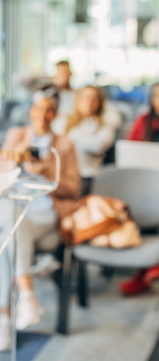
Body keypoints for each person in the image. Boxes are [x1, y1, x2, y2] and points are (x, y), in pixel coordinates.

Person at [0, 87, 81, 352]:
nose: (41, 115)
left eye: (48, 110)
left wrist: (47, 172)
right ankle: (26, 294)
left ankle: (5, 318)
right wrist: (16, 155)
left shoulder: (65, 143)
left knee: (5, 239)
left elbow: (73, 189)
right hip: (11, 203)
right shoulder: (16, 135)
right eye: (37, 109)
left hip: (42, 211)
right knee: (11, 217)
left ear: (55, 114)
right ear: (30, 111)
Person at [119, 83, 159, 296]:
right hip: (147, 184)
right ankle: (141, 273)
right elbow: (131, 151)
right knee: (137, 208)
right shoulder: (143, 121)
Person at [63, 86, 116, 196]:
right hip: (66, 173)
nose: (88, 102)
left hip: (90, 175)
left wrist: (73, 138)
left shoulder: (105, 125)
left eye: (93, 99)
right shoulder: (66, 122)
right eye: (84, 97)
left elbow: (98, 145)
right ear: (77, 100)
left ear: (100, 103)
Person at [52, 61, 122, 135]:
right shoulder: (51, 96)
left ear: (71, 74)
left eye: (66, 73)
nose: (88, 102)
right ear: (55, 76)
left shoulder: (80, 92)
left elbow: (115, 118)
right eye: (61, 74)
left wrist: (94, 119)